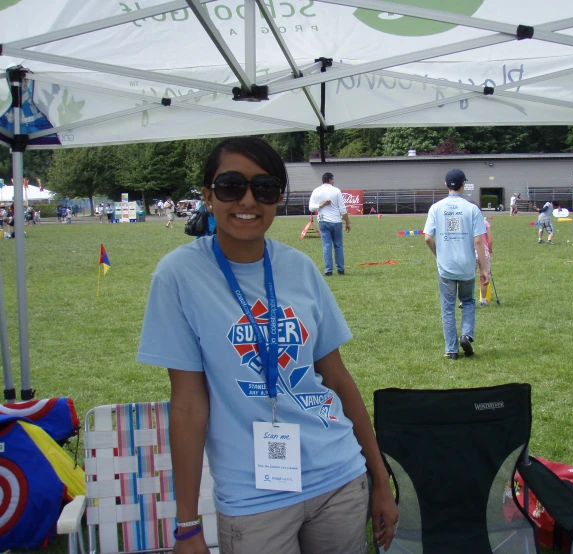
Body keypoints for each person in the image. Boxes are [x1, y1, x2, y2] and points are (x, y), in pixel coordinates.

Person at [136, 137, 398, 554]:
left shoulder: (300, 268)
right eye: (230, 186)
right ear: (207, 196)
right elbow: (187, 403)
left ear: (278, 198)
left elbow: (337, 379)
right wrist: (187, 526)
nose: (248, 200)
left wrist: (379, 478)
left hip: (338, 477)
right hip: (253, 497)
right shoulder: (179, 275)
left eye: (265, 188)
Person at [424, 169, 489, 360]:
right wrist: (484, 269)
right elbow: (479, 241)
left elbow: (427, 238)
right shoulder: (472, 209)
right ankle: (466, 335)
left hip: (446, 267)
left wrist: (439, 255)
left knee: (448, 307)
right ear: (463, 185)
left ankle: (451, 350)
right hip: (467, 266)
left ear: (446, 185)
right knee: (468, 301)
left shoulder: (436, 208)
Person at [308, 173, 351, 276]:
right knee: (338, 246)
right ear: (330, 180)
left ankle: (328, 270)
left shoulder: (316, 191)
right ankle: (340, 269)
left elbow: (311, 208)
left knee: (327, 246)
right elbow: (342, 209)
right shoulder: (336, 191)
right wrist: (348, 222)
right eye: (333, 179)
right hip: (336, 221)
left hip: (323, 221)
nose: (334, 181)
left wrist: (320, 205)